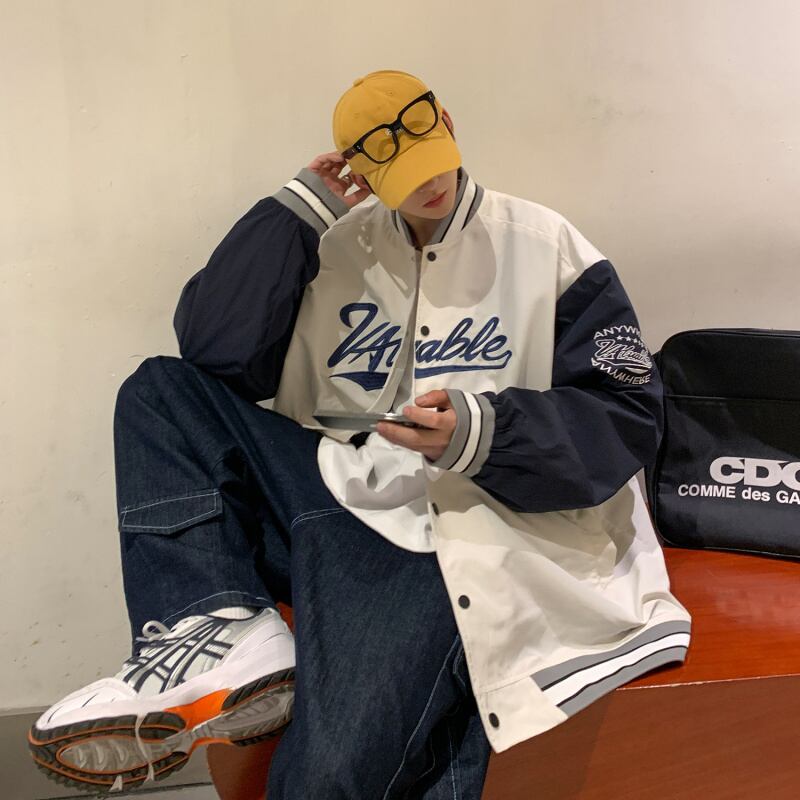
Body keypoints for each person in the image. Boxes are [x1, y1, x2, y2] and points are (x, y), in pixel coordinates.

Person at [28, 69, 691, 799]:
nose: (428, 185)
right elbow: (214, 357)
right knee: (159, 393)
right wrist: (293, 214)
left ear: (447, 121)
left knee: (324, 779)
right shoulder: (333, 248)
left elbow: (628, 415)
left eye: (433, 160)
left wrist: (480, 431)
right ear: (364, 175)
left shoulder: (546, 245)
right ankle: (213, 626)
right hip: (333, 491)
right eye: (402, 176)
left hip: (463, 533)